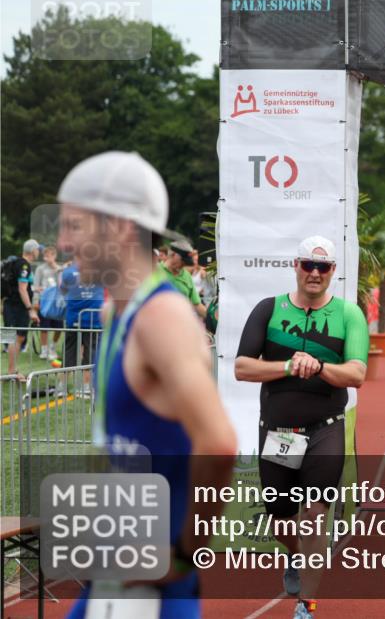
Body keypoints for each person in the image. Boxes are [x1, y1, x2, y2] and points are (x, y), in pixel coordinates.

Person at [57, 150, 236, 618]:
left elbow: (219, 443)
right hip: (113, 574)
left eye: (74, 226)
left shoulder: (160, 318)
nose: (62, 242)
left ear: (119, 227)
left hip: (154, 594)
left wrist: (183, 554)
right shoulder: (113, 310)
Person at [235, 235, 369, 619]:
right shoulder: (269, 309)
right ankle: (295, 556)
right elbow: (242, 367)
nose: (314, 273)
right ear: (295, 266)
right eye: (308, 265)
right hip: (279, 432)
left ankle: (306, 605)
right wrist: (289, 366)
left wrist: (320, 366)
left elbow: (357, 374)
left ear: (333, 271)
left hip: (325, 428)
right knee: (281, 520)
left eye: (322, 267)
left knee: (313, 515)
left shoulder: (348, 314)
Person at [59, 259, 104, 397]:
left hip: (74, 318)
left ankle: (61, 387)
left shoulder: (68, 272)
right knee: (91, 354)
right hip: (93, 319)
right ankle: (85, 387)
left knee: (69, 352)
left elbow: (62, 290)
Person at [3, 239, 40, 379]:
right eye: (37, 249)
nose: (38, 252)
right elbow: (22, 289)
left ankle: (11, 371)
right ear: (32, 250)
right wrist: (30, 309)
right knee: (17, 337)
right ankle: (12, 372)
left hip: (10, 305)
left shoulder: (15, 262)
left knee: (13, 338)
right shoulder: (24, 265)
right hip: (17, 307)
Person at [159, 239, 207, 319]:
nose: (184, 265)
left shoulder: (187, 276)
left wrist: (213, 319)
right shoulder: (154, 271)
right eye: (182, 261)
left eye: (186, 263)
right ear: (173, 254)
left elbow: (196, 304)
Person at [33, 245, 64, 359]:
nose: (47, 258)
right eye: (45, 255)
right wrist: (36, 301)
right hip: (44, 301)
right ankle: (44, 350)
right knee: (44, 326)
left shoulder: (60, 269)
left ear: (54, 256)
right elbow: (36, 285)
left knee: (59, 327)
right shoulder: (40, 268)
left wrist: (54, 266)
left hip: (57, 302)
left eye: (49, 255)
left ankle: (52, 348)